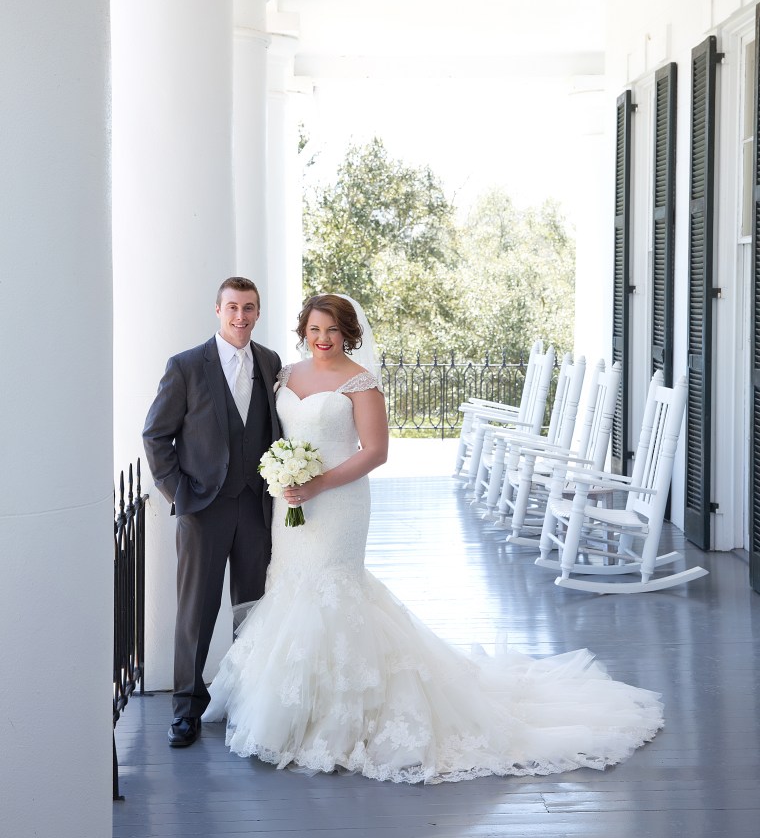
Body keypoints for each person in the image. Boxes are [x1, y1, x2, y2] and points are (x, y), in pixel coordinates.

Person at [203, 294, 664, 783]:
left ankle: (342, 717)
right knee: (291, 586)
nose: (323, 339)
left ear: (348, 334)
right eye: (315, 329)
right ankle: (292, 710)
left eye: (333, 331)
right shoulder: (286, 375)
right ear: (304, 329)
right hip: (290, 502)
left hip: (337, 504)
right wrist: (286, 479)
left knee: (332, 590)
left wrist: (317, 483)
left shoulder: (361, 382)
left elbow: (375, 452)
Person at [143, 277, 281, 748]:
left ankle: (246, 702)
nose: (240, 317)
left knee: (252, 610)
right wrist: (178, 494)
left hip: (256, 507)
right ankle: (186, 708)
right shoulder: (184, 367)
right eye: (232, 308)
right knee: (196, 613)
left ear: (258, 312)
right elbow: (155, 436)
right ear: (217, 311)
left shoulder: (270, 361)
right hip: (203, 508)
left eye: (249, 308)